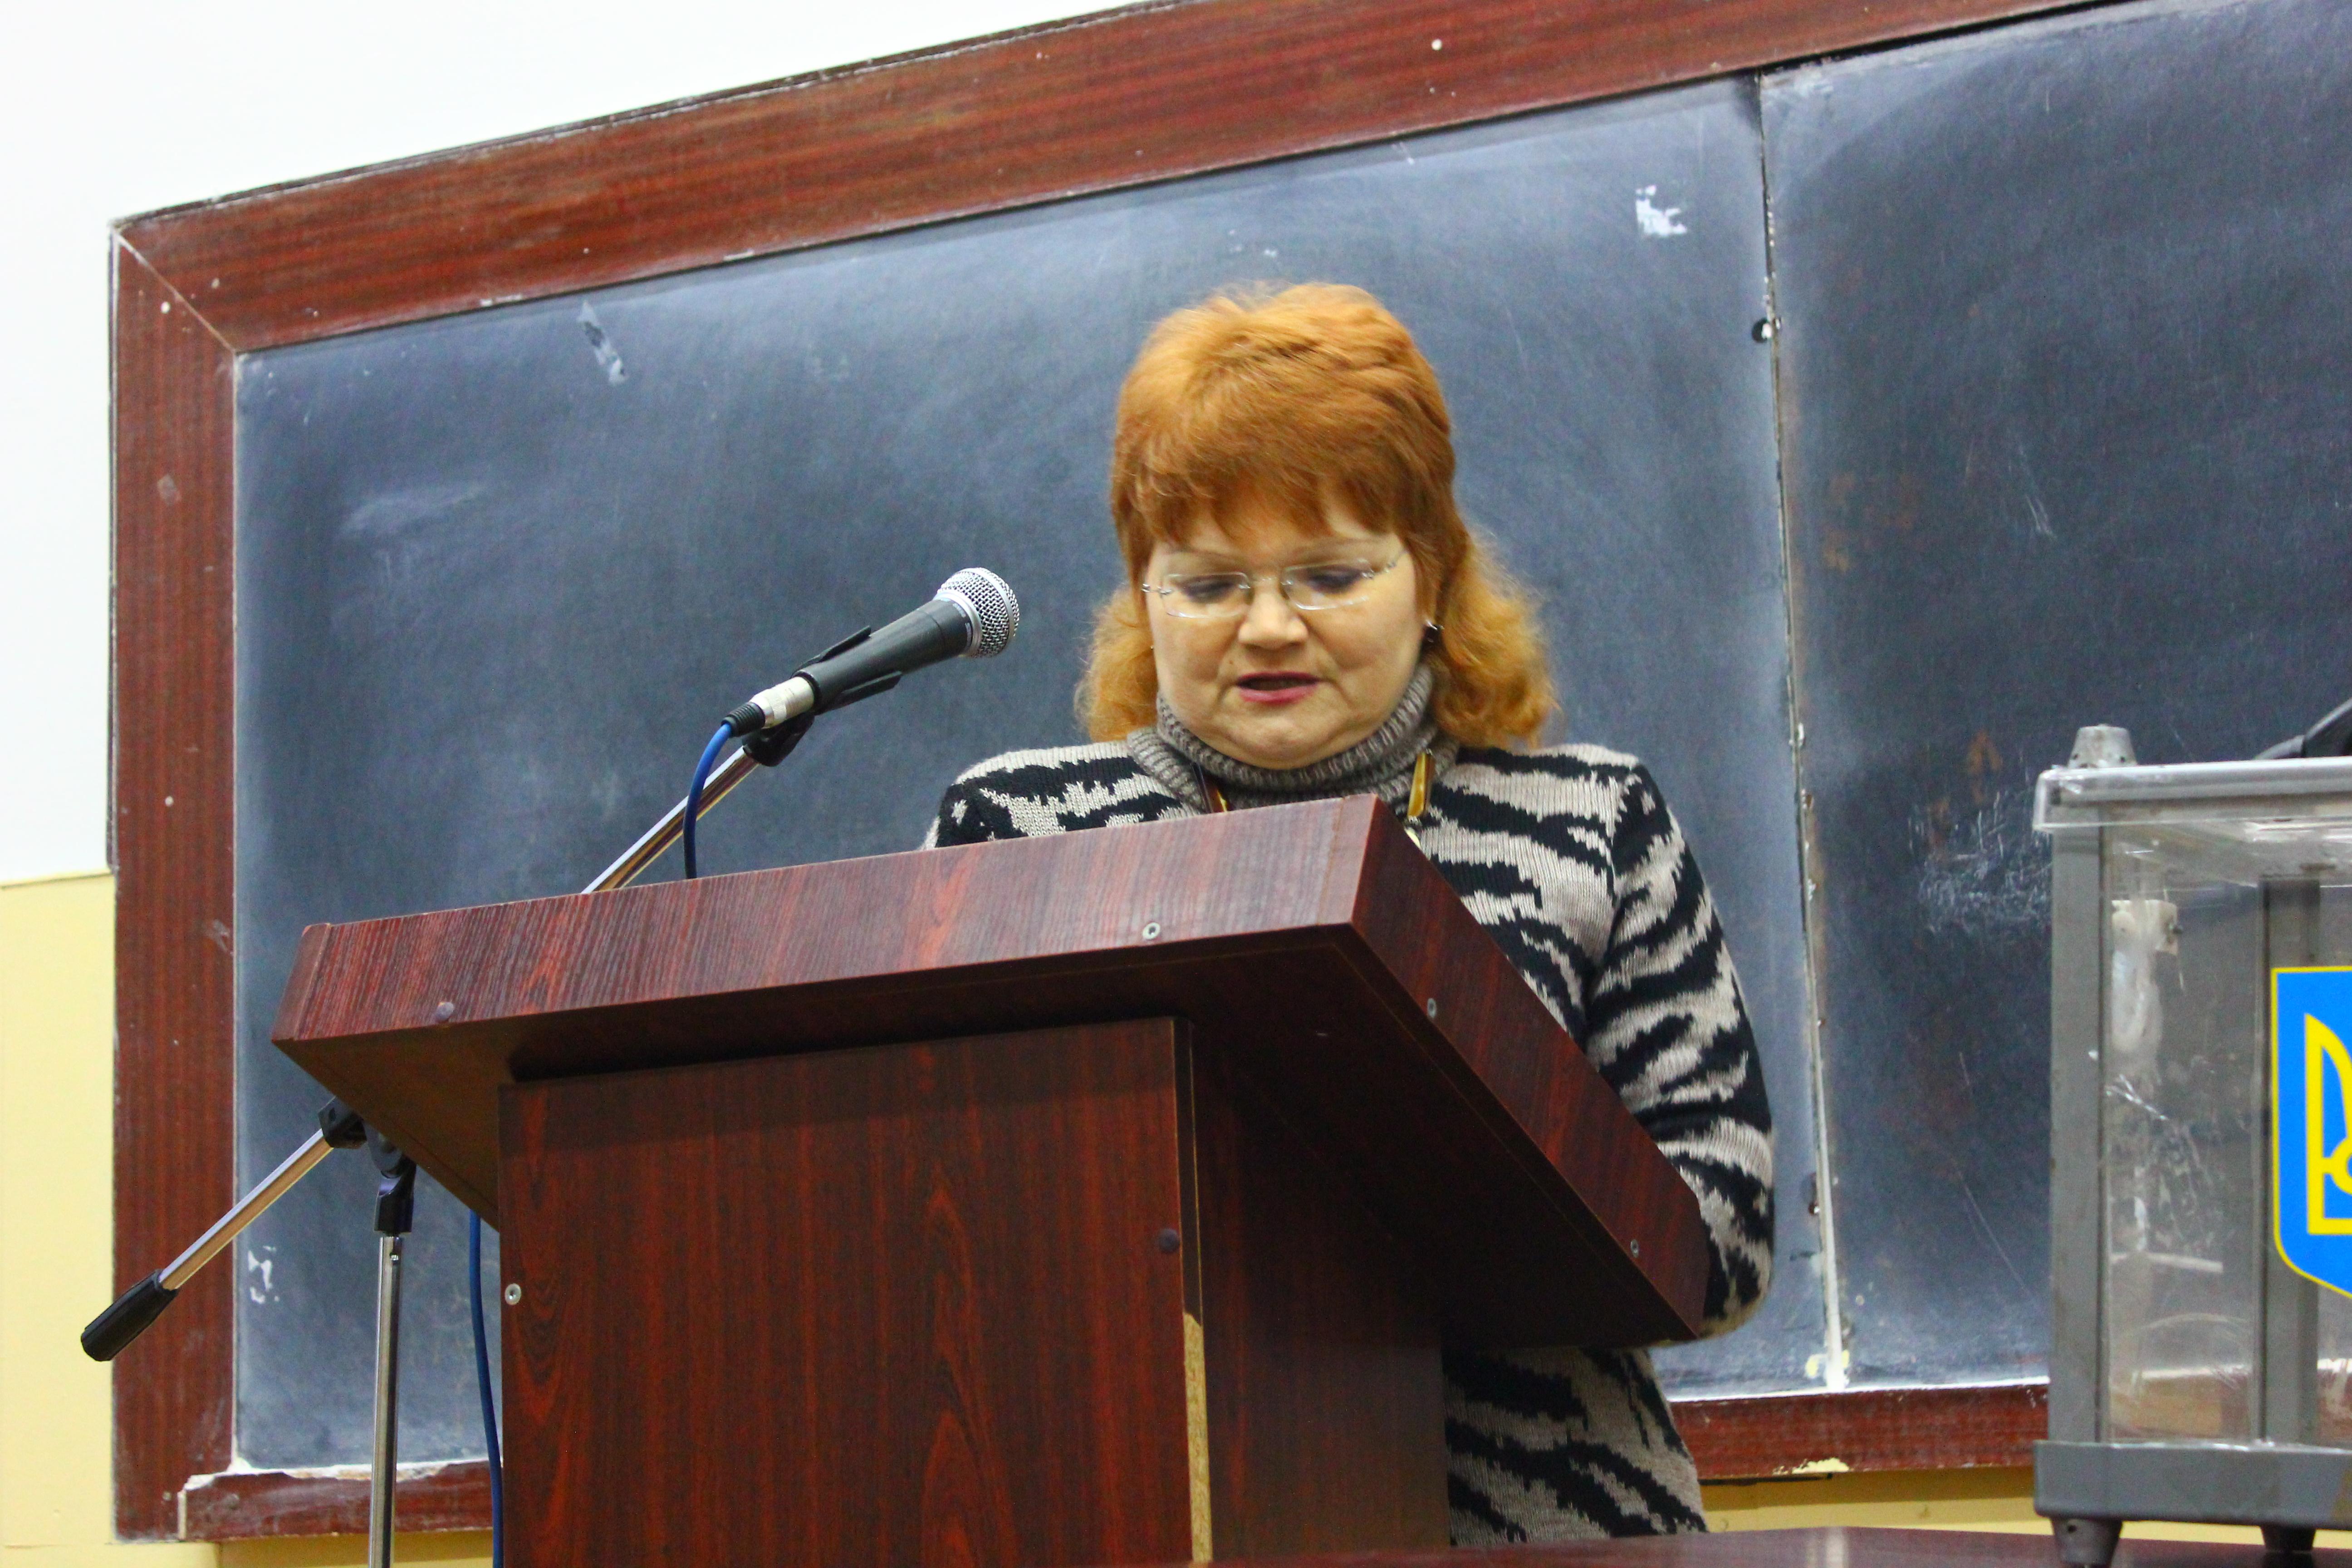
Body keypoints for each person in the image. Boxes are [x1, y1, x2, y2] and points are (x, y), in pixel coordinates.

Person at [925, 284, 1774, 1541]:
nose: (1269, 628)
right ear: (1142, 593)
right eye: (1209, 585)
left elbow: (1724, 1242)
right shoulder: (1016, 835)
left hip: (1549, 1526)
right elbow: (935, 1221)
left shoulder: (1595, 825)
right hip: (1137, 1517)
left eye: (1329, 575)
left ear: (1431, 573)